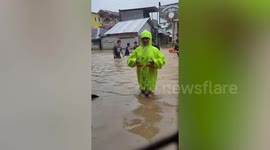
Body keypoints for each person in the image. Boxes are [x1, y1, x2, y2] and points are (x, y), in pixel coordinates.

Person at [127, 30, 166, 98]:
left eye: (147, 38)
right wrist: (135, 61)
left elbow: (163, 60)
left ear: (150, 39)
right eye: (143, 38)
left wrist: (154, 62)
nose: (145, 40)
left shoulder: (155, 50)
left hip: (151, 75)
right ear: (141, 39)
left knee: (150, 96)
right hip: (141, 76)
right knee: (142, 95)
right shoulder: (137, 50)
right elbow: (129, 60)